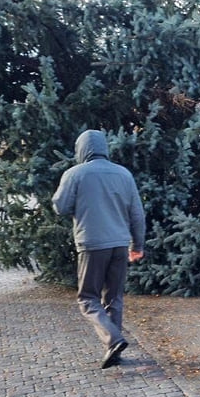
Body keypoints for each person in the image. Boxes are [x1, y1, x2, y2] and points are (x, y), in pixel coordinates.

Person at [53, 130, 146, 368]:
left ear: (81, 149)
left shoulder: (75, 174)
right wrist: (138, 245)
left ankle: (113, 339)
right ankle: (113, 351)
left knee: (87, 298)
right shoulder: (124, 174)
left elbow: (60, 207)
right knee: (113, 297)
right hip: (119, 244)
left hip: (92, 244)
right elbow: (137, 214)